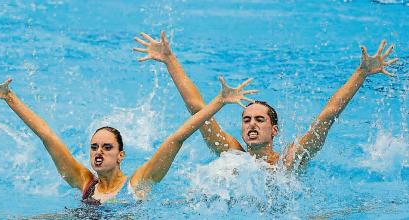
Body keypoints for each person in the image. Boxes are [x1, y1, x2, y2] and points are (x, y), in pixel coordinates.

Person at [0, 74, 257, 204]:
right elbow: (47, 137)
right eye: (94, 147)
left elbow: (177, 138)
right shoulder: (85, 182)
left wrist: (219, 102)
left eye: (107, 147)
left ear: (121, 155)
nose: (99, 152)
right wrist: (10, 98)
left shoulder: (138, 184)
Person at [134, 32, 399, 170]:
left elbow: (326, 117)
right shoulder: (231, 154)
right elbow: (198, 111)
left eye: (259, 119)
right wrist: (170, 60)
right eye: (246, 119)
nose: (251, 124)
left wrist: (361, 73)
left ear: (274, 130)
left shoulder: (289, 161)